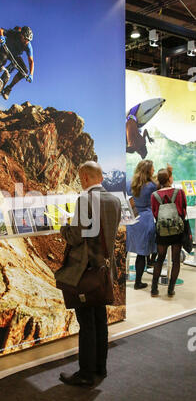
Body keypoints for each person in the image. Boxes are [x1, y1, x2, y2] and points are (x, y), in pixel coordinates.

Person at [56, 161, 121, 387]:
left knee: (87, 323)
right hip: (103, 271)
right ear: (100, 177)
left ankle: (85, 373)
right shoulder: (115, 201)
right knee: (100, 319)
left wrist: (63, 224)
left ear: (84, 177)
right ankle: (100, 368)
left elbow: (75, 237)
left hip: (85, 272)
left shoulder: (84, 200)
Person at [151, 165, 187, 297]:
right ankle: (171, 288)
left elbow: (155, 213)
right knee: (176, 260)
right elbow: (183, 210)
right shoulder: (179, 193)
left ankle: (154, 288)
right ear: (169, 179)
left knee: (159, 259)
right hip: (177, 230)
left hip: (162, 231)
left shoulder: (154, 195)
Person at [126, 160, 157, 289]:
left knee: (127, 250)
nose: (154, 170)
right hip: (146, 220)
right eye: (153, 168)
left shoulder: (129, 184)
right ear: (149, 170)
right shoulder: (152, 186)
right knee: (142, 253)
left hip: (132, 219)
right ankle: (138, 282)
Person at [0, 26, 34, 100]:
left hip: (15, 56)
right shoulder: (14, 33)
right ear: (21, 35)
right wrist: (1, 36)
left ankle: (8, 89)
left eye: (28, 40)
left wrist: (31, 74)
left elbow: (31, 61)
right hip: (5, 50)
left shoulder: (28, 46)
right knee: (2, 60)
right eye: (25, 39)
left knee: (24, 70)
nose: (26, 41)